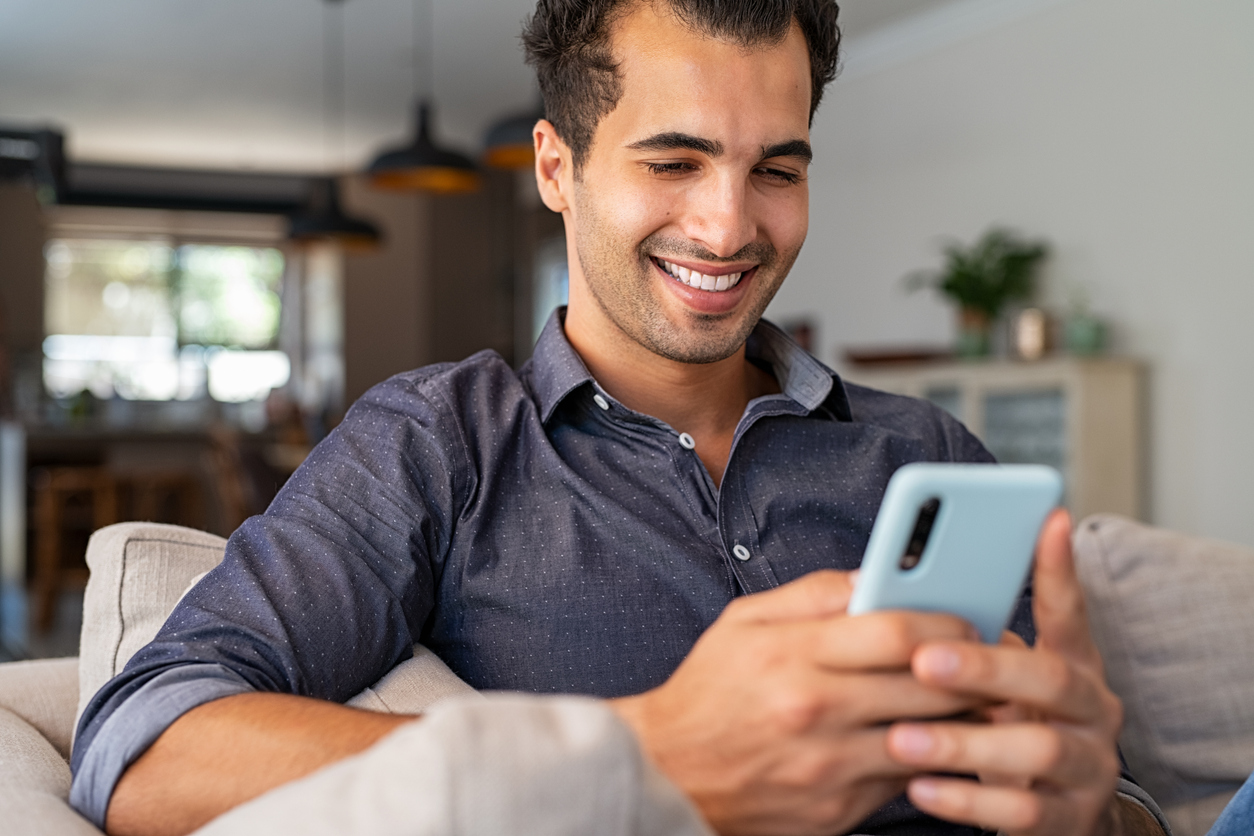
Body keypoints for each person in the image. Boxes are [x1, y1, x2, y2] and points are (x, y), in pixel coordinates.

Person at [71, 2, 1170, 835]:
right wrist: (636, 752)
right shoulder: (439, 442)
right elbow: (143, 746)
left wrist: (1091, 802)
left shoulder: (923, 454)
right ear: (559, 168)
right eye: (674, 160)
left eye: (774, 169)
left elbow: (1107, 795)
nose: (730, 225)